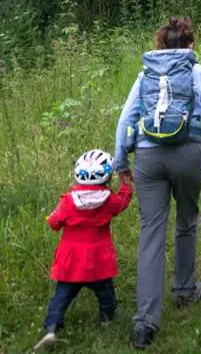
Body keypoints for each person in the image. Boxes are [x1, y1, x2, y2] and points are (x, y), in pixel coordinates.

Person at [114, 17, 201, 350]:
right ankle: (184, 290)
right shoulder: (199, 74)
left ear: (160, 45)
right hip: (188, 156)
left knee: (151, 234)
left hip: (148, 158)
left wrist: (121, 162)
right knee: (187, 222)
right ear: (190, 45)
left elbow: (125, 119)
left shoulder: (145, 74)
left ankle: (145, 322)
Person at [34, 149, 132, 351]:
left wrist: (53, 216)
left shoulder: (68, 200)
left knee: (61, 296)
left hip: (71, 260)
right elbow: (122, 203)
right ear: (106, 176)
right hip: (98, 259)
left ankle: (51, 329)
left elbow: (54, 223)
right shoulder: (108, 200)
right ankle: (107, 321)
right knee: (106, 293)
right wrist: (126, 186)